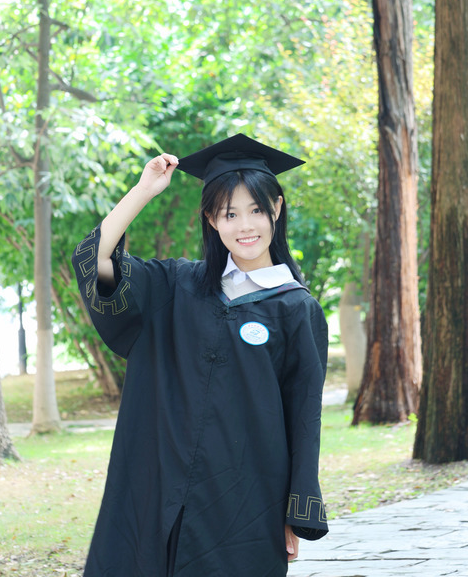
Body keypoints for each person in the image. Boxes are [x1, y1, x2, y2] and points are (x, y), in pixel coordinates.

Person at [72, 133, 329, 577]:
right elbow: (97, 260)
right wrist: (143, 191)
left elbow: (304, 418)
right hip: (155, 490)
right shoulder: (175, 287)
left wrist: (294, 511)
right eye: (230, 213)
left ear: (277, 209)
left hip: (244, 502)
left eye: (256, 210)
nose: (245, 226)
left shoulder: (296, 308)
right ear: (211, 219)